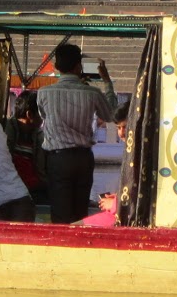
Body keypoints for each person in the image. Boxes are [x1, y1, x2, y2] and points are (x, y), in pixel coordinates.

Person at [35, 43, 118, 223]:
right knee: (81, 213)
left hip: (57, 159)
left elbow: (44, 116)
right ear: (78, 66)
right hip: (83, 159)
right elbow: (111, 114)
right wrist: (107, 82)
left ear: (57, 67)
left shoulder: (43, 93)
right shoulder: (92, 93)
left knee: (59, 213)